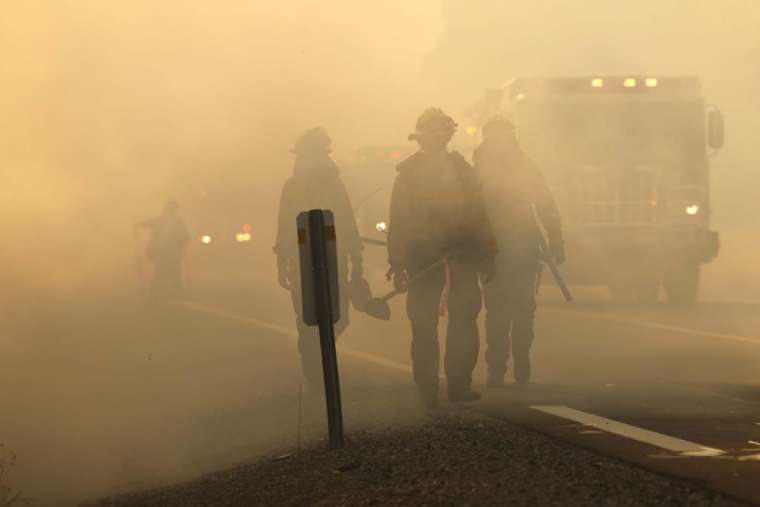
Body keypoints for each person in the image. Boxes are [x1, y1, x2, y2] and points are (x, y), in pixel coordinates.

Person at [387, 108, 497, 408]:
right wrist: (397, 263)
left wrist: (488, 253)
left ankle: (458, 385)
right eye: (432, 135)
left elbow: (479, 216)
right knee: (423, 327)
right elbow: (398, 222)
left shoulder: (462, 171)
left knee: (464, 322)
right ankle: (427, 388)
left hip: (461, 257)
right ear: (421, 139)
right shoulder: (407, 176)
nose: (438, 140)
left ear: (448, 136)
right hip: (422, 262)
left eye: (443, 134)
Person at [474, 115, 565, 386]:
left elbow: (545, 203)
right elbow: (466, 210)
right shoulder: (479, 170)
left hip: (519, 249)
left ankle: (516, 361)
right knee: (502, 311)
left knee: (518, 309)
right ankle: (499, 368)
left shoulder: (522, 167)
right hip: (493, 252)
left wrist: (556, 237)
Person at [274, 127, 363, 389]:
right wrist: (281, 261)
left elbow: (346, 220)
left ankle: (316, 352)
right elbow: (284, 225)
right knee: (308, 317)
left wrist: (357, 258)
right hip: (300, 262)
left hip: (336, 259)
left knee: (339, 317)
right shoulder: (291, 188)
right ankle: (315, 369)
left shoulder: (335, 185)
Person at [135, 200, 190, 298]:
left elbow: (185, 237)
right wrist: (139, 224)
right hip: (165, 252)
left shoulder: (171, 221)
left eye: (173, 209)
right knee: (164, 272)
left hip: (169, 252)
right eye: (171, 209)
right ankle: (161, 293)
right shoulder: (166, 221)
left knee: (168, 272)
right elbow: (185, 237)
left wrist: (139, 224)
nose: (172, 211)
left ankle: (169, 292)